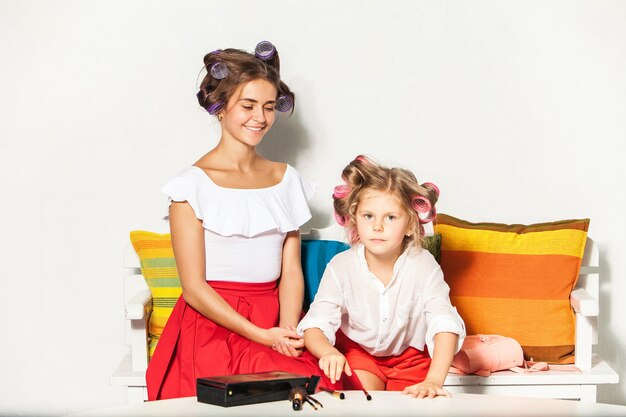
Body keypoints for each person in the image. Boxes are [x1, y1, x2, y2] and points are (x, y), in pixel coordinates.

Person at [146, 41, 336, 401]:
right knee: (229, 396)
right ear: (220, 108)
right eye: (247, 106)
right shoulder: (190, 185)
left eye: (268, 107)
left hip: (274, 316)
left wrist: (286, 327)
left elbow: (291, 271)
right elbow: (194, 288)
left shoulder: (286, 179)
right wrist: (261, 335)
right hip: (210, 322)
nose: (260, 118)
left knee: (317, 389)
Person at [297, 155, 466, 398]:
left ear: (410, 225)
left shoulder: (423, 265)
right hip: (361, 353)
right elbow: (316, 324)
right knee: (362, 400)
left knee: (413, 404)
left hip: (411, 359)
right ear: (355, 218)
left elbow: (444, 322)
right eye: (369, 216)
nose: (378, 226)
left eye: (390, 217)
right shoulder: (341, 266)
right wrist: (328, 352)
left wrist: (434, 381)